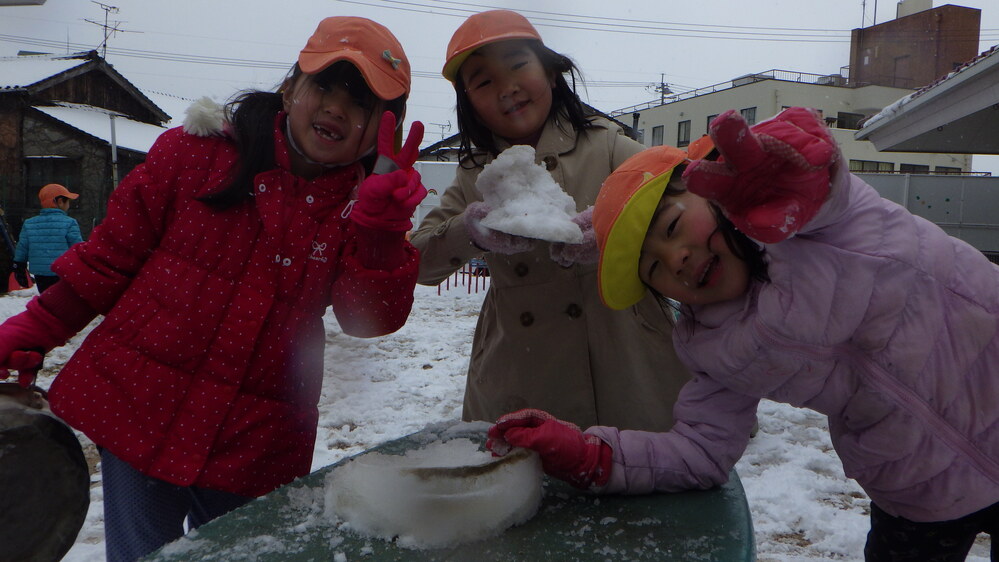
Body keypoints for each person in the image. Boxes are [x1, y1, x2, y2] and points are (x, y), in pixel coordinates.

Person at [486, 107, 999, 560]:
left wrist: (785, 172)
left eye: (670, 229)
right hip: (918, 490)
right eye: (654, 270)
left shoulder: (809, 225)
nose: (677, 260)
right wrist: (588, 454)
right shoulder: (715, 346)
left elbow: (820, 177)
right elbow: (700, 453)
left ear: (711, 192)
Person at [0, 16, 427, 562]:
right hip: (142, 407)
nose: (339, 109)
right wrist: (34, 328)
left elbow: (367, 318)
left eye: (363, 104)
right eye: (325, 85)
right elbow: (108, 261)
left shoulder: (359, 208)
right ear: (291, 86)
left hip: (259, 435)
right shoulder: (192, 155)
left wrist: (381, 235)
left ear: (383, 128)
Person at [409, 9, 692, 433]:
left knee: (642, 473)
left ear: (552, 72)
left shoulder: (606, 143)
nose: (507, 87)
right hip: (521, 369)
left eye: (519, 64)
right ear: (470, 104)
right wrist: (470, 233)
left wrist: (612, 227)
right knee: (529, 484)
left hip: (626, 354)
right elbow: (418, 261)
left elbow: (683, 195)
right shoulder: (474, 175)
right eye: (484, 81)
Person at [12, 183, 84, 293]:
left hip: (40, 274)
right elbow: (77, 248)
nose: (69, 204)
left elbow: (22, 248)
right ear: (59, 201)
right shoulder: (70, 223)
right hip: (62, 272)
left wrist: (19, 267)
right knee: (62, 301)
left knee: (46, 298)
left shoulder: (29, 224)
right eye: (67, 201)